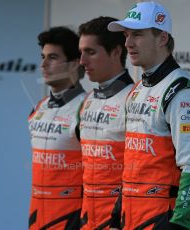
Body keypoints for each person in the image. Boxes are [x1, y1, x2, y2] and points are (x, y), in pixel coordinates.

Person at [107, 2, 190, 229]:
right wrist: (116, 216)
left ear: (162, 38)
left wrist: (179, 225)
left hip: (162, 218)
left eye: (137, 35)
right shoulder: (137, 90)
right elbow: (132, 163)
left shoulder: (183, 91)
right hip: (131, 218)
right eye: (126, 35)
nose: (128, 43)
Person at [78, 16, 134, 229]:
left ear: (117, 52)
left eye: (91, 52)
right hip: (87, 219)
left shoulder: (134, 98)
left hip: (118, 221)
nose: (82, 61)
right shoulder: (88, 100)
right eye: (81, 52)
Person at [28, 26, 86, 230]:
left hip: (72, 217)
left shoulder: (86, 107)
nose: (43, 64)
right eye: (43, 56)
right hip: (37, 215)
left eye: (52, 57)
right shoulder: (38, 108)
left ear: (74, 64)